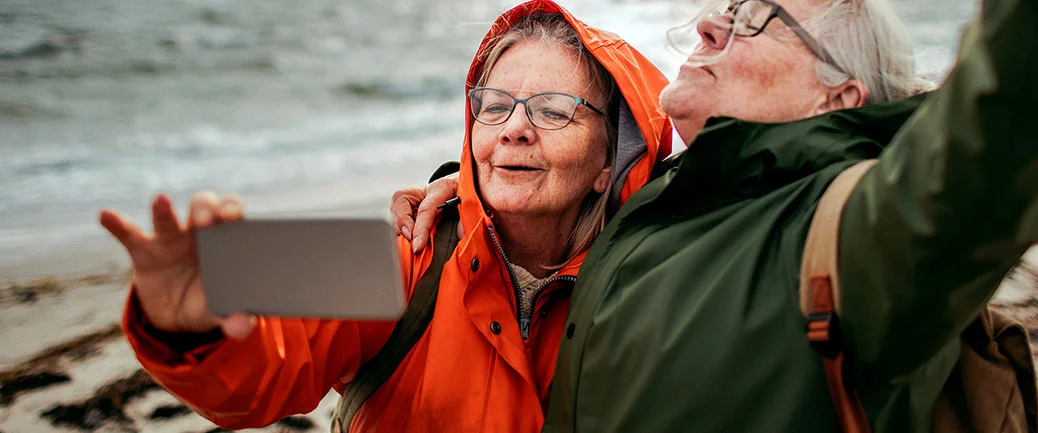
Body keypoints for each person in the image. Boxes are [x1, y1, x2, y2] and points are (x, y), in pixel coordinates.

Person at [393, 0, 1038, 430]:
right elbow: (560, 182)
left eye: (758, 15)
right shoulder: (663, 204)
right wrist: (473, 193)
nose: (713, 24)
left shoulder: (854, 235)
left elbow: (996, 131)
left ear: (838, 96)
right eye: (720, 8)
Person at [96, 1, 672, 431]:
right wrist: (190, 332)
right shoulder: (403, 250)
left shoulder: (649, 287)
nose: (514, 128)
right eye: (495, 107)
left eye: (553, 111)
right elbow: (267, 371)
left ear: (610, 160)